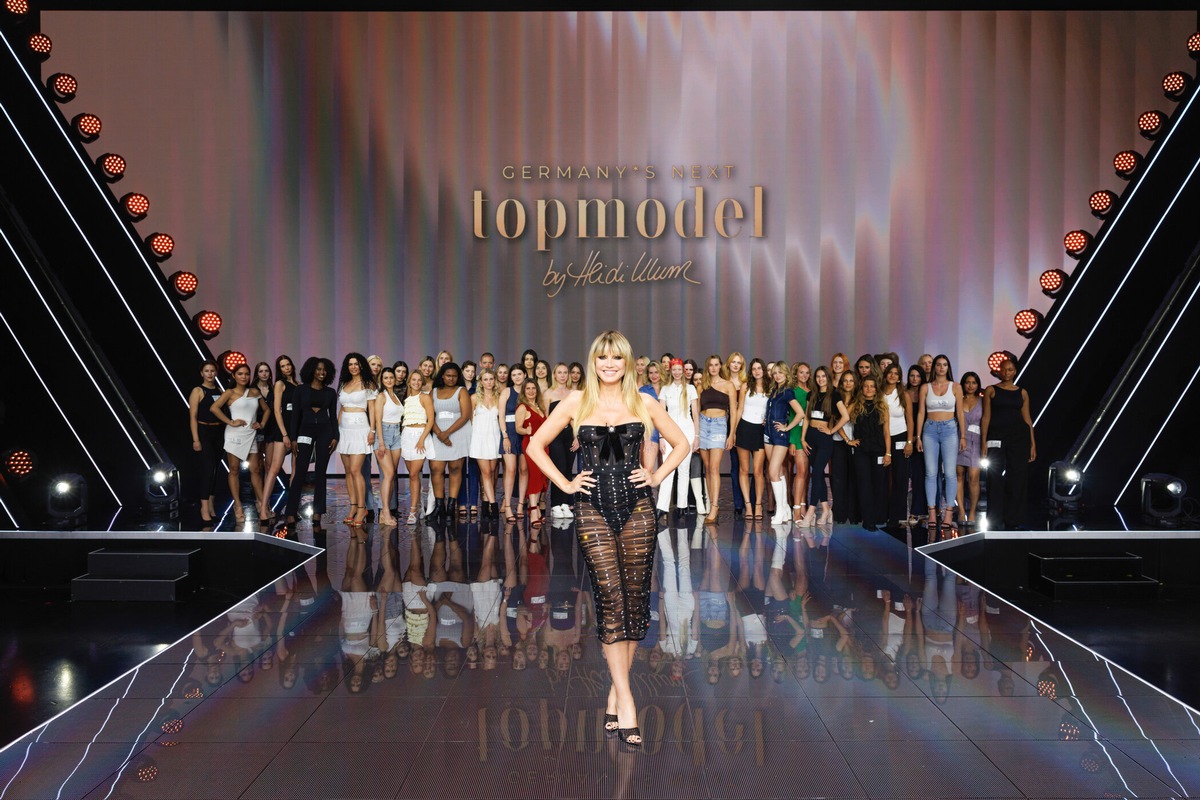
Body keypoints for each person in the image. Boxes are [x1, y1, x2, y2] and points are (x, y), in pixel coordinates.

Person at [526, 330, 689, 751]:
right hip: (592, 509)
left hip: (638, 510)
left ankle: (615, 694)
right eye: (603, 357)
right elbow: (536, 446)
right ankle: (628, 700)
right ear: (594, 361)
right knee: (610, 598)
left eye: (617, 357)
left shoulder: (644, 401)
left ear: (627, 362)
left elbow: (682, 443)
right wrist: (565, 483)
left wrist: (655, 475)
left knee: (634, 602)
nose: (610, 364)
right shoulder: (576, 401)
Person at [209, 362, 270, 523]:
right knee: (234, 470)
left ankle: (262, 505)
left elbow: (267, 410)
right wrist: (230, 422)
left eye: (246, 374)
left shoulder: (254, 391)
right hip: (234, 434)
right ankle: (238, 505)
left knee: (255, 470)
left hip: (251, 434)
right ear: (234, 376)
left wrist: (261, 423)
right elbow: (214, 408)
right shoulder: (229, 393)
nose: (244, 377)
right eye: (240, 374)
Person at [980, 359, 1036, 530]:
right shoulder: (991, 390)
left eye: (1010, 370)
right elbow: (986, 417)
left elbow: (1027, 420)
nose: (1006, 373)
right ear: (999, 371)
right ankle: (994, 520)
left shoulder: (1022, 393)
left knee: (1017, 477)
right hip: (996, 436)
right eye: (1004, 370)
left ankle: (1013, 520)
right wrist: (983, 442)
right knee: (994, 476)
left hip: (1019, 437)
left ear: (1015, 372)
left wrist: (1032, 444)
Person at [284, 357, 338, 527]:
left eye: (324, 370)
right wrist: (293, 438)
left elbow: (333, 417)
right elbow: (295, 417)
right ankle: (291, 512)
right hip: (304, 431)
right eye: (318, 369)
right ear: (311, 370)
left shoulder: (330, 392)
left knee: (321, 472)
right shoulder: (300, 390)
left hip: (325, 431)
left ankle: (318, 512)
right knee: (300, 471)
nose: (322, 373)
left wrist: (336, 436)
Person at [916, 354, 966, 532]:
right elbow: (921, 413)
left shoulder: (956, 387)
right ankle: (932, 512)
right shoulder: (925, 387)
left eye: (945, 364)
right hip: (929, 429)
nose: (941, 367)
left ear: (948, 367)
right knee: (930, 472)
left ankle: (949, 513)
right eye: (938, 364)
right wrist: (918, 437)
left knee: (950, 473)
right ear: (934, 367)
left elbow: (960, 413)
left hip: (950, 429)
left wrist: (963, 436)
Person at [656, 358, 703, 520]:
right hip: (669, 432)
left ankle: (682, 506)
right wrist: (661, 437)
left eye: (679, 369)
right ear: (670, 371)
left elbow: (695, 414)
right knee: (668, 468)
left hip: (687, 431)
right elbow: (660, 414)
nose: (677, 372)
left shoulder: (690, 389)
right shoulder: (665, 389)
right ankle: (662, 506)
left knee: (684, 469)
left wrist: (696, 437)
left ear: (683, 371)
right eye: (674, 369)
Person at [428, 362, 473, 521]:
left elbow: (465, 416)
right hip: (438, 432)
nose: (451, 379)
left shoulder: (462, 391)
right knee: (436, 468)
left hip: (458, 433)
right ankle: (439, 506)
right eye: (448, 376)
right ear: (442, 376)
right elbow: (429, 416)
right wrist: (439, 434)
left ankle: (450, 507)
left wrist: (446, 434)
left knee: (455, 468)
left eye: (454, 376)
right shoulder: (433, 392)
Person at [337, 353, 377, 527]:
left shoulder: (368, 384)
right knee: (347, 471)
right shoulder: (344, 384)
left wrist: (372, 430)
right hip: (344, 429)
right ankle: (353, 506)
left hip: (360, 428)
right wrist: (335, 430)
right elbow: (341, 409)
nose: (353, 367)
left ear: (361, 366)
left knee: (355, 470)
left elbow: (372, 409)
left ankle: (362, 508)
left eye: (356, 364)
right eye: (350, 364)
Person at [799, 366, 843, 527]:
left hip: (824, 439)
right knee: (817, 474)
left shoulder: (835, 394)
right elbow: (806, 417)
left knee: (817, 472)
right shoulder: (811, 394)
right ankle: (825, 510)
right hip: (810, 437)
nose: (820, 379)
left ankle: (811, 512)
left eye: (823, 376)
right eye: (818, 376)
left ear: (828, 378)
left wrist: (832, 430)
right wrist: (803, 438)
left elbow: (845, 416)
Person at [846, 376, 890, 530]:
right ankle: (868, 520)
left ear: (876, 389)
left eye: (872, 386)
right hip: (861, 451)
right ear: (862, 388)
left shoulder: (883, 406)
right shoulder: (856, 405)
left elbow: (886, 432)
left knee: (878, 484)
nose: (869, 389)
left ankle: (877, 517)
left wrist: (888, 453)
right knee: (864, 484)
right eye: (866, 386)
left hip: (879, 450)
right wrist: (848, 440)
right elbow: (840, 421)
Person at [699, 355, 738, 522]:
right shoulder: (702, 385)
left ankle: (715, 507)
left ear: (721, 366)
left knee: (714, 468)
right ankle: (711, 503)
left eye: (716, 365)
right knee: (707, 468)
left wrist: (732, 433)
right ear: (707, 367)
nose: (714, 368)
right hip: (702, 424)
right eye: (711, 365)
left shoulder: (728, 385)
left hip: (719, 425)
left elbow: (734, 411)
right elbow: (696, 409)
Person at [766, 362, 804, 524]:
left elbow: (800, 413)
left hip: (780, 435)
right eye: (775, 373)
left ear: (786, 374)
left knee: (773, 471)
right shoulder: (774, 391)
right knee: (779, 471)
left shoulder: (787, 392)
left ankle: (781, 510)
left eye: (780, 372)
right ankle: (785, 508)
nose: (777, 375)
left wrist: (787, 427)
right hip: (767, 433)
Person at [263, 355, 300, 521]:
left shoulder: (298, 385)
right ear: (279, 369)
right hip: (283, 430)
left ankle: (291, 510)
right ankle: (263, 508)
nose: (287, 368)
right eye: (283, 366)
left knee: (295, 471)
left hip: (297, 429)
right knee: (274, 468)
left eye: (288, 364)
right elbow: (277, 411)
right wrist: (285, 434)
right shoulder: (280, 384)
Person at [188, 360, 224, 523]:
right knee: (208, 469)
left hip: (218, 432)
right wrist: (196, 439)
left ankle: (211, 507)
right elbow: (193, 417)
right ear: (201, 373)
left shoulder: (219, 390)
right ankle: (203, 508)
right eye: (207, 371)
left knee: (215, 470)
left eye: (212, 371)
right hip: (204, 432)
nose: (210, 374)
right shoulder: (198, 390)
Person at [399, 370, 436, 524]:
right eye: (413, 380)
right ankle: (418, 505)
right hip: (406, 435)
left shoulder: (425, 397)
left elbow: (431, 420)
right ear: (409, 382)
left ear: (422, 382)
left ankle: (413, 510)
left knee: (414, 474)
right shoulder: (407, 399)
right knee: (412, 475)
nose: (416, 382)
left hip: (420, 435)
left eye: (419, 380)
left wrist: (421, 439)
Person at [736, 358, 769, 519]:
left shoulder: (770, 388)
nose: (757, 371)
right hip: (744, 427)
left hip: (760, 430)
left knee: (757, 471)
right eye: (754, 368)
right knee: (743, 470)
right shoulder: (745, 386)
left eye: (759, 368)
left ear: (763, 370)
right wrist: (733, 432)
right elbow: (739, 409)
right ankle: (748, 505)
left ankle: (758, 505)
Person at [881, 363, 914, 527]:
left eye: (896, 373)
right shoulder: (879, 393)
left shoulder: (903, 395)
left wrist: (909, 442)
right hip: (883, 438)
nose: (892, 376)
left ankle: (899, 515)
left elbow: (910, 420)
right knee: (884, 478)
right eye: (890, 372)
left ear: (900, 377)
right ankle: (884, 514)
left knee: (901, 477)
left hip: (901, 436)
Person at [469, 369, 503, 517]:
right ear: (481, 382)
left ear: (494, 381)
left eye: (491, 379)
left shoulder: (499, 398)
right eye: (486, 379)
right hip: (479, 439)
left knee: (492, 472)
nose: (489, 382)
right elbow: (470, 420)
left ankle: (485, 503)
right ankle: (493, 505)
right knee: (486, 472)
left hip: (494, 438)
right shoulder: (474, 398)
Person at [514, 379, 548, 527]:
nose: (531, 391)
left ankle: (536, 508)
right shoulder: (523, 407)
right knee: (534, 475)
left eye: (533, 388)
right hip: (531, 445)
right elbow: (518, 428)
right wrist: (526, 431)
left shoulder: (540, 406)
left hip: (543, 445)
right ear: (523, 391)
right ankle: (533, 510)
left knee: (541, 476)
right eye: (528, 388)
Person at [372, 367, 404, 527]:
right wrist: (381, 442)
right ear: (382, 380)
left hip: (397, 435)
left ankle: (385, 513)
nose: (389, 380)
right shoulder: (381, 396)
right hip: (383, 434)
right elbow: (378, 420)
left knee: (391, 476)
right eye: (386, 378)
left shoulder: (395, 396)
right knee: (388, 474)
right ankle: (385, 511)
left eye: (391, 377)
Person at [499, 364, 530, 521]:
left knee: (524, 470)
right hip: (509, 434)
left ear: (525, 375)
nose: (517, 377)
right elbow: (501, 416)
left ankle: (520, 505)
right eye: (514, 375)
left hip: (524, 434)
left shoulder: (529, 391)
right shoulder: (506, 392)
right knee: (511, 469)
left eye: (519, 374)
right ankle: (508, 506)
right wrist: (505, 436)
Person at [956, 372, 984, 527]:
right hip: (958, 440)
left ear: (978, 384)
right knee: (958, 476)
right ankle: (961, 511)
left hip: (976, 442)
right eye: (967, 382)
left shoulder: (983, 401)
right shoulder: (958, 400)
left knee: (973, 478)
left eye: (974, 382)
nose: (970, 385)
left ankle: (972, 511)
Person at [788, 363, 812, 521]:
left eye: (807, 372)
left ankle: (803, 504)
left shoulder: (812, 391)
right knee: (801, 471)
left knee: (806, 473)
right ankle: (797, 508)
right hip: (796, 434)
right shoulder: (792, 392)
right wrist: (791, 440)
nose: (804, 375)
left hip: (810, 433)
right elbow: (790, 416)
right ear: (796, 374)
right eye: (801, 372)